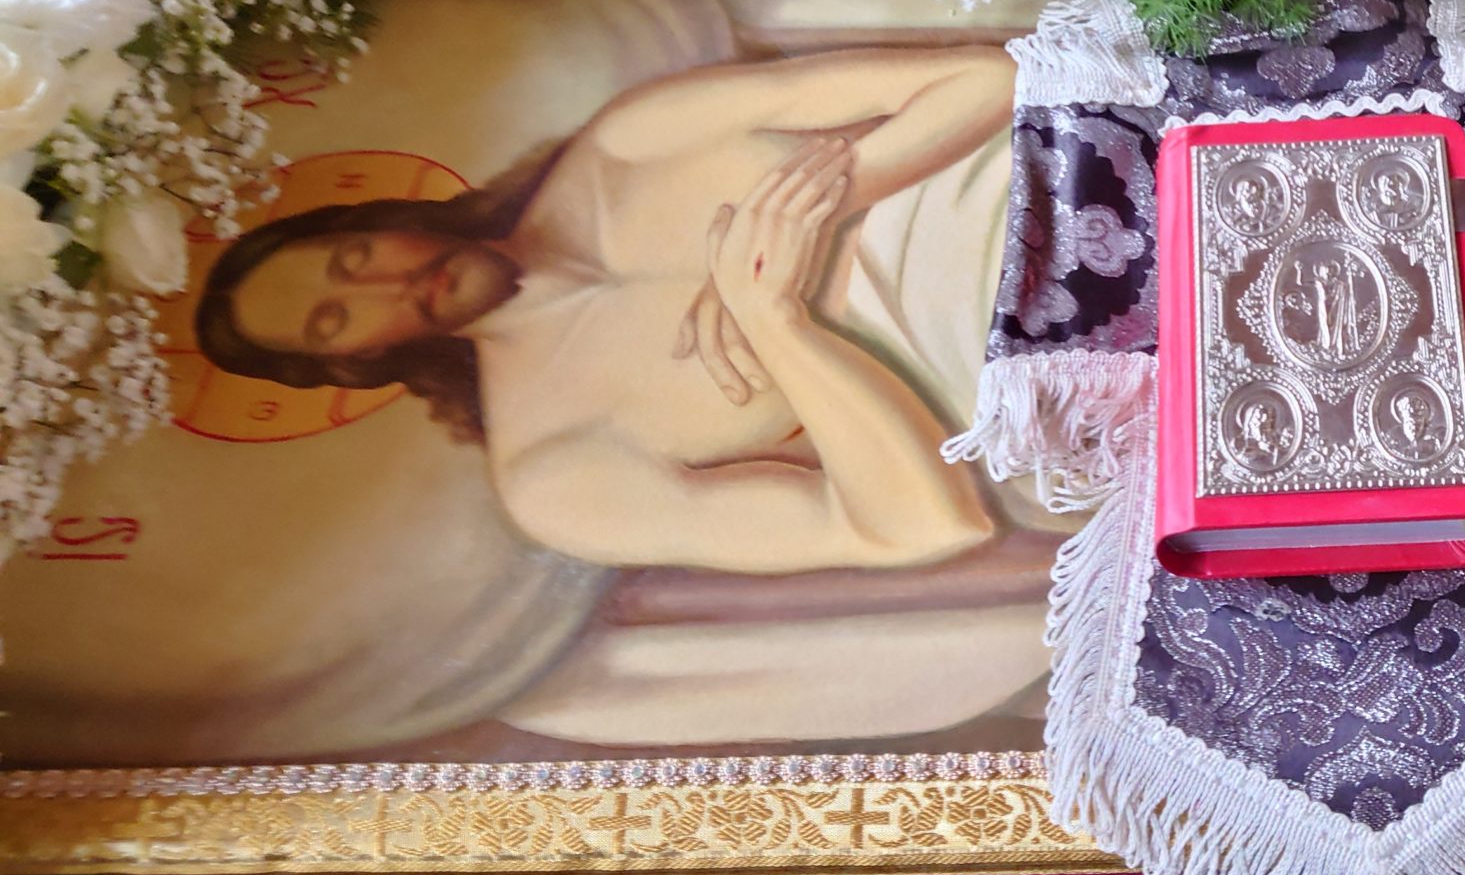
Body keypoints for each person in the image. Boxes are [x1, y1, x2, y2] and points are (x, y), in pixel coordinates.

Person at [194, 44, 1021, 574]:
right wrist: (773, 319)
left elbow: (993, 78)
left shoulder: (627, 142)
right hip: (1042, 374)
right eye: (338, 318)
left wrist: (818, 209)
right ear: (355, 360)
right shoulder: (550, 471)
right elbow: (921, 527)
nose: (384, 286)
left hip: (1045, 190)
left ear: (378, 220)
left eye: (353, 259)